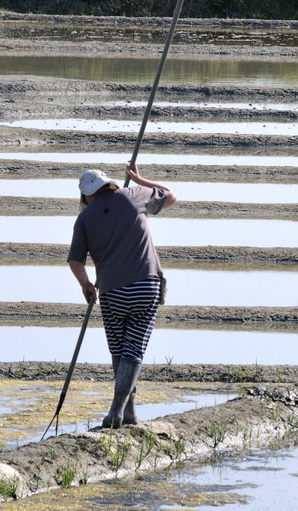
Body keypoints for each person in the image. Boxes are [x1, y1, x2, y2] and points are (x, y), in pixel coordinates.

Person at [67, 164, 176, 429]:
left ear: (87, 196)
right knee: (132, 349)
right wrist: (140, 179)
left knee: (118, 350)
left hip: (111, 292)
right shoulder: (134, 195)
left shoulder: (84, 219)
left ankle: (124, 413)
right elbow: (170, 195)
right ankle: (121, 412)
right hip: (144, 285)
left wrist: (86, 285)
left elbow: (75, 260)